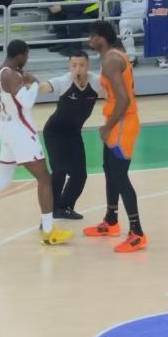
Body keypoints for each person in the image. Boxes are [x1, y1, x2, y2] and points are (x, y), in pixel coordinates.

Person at [0, 39, 74, 245]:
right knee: (44, 179)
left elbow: (16, 93)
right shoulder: (10, 75)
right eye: (26, 55)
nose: (27, 59)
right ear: (20, 55)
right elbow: (26, 103)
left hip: (6, 126)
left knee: (3, 178)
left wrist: (25, 81)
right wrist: (34, 83)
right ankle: (48, 232)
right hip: (20, 131)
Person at [84, 19, 147, 252]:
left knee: (120, 176)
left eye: (92, 36)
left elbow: (123, 100)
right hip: (116, 120)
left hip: (122, 122)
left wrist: (107, 126)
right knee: (109, 170)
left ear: (102, 38)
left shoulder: (111, 60)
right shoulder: (112, 56)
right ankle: (111, 221)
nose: (89, 40)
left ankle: (137, 232)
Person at [39, 52, 103, 218]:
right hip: (54, 132)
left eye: (81, 65)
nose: (78, 69)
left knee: (80, 175)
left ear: (88, 66)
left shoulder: (96, 81)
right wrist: (33, 85)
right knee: (59, 170)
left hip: (74, 133)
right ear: (70, 66)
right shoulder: (64, 81)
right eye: (74, 65)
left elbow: (114, 91)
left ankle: (65, 207)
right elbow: (46, 86)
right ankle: (53, 209)